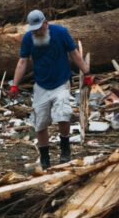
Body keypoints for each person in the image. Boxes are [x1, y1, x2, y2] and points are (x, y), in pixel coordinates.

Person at [9, 10, 88, 170]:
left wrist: (86, 73)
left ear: (46, 23)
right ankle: (45, 159)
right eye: (34, 30)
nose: (37, 32)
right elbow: (22, 62)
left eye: (39, 28)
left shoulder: (61, 32)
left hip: (61, 81)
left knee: (63, 113)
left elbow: (74, 53)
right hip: (41, 84)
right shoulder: (28, 39)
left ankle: (65, 148)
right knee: (40, 123)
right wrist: (14, 84)